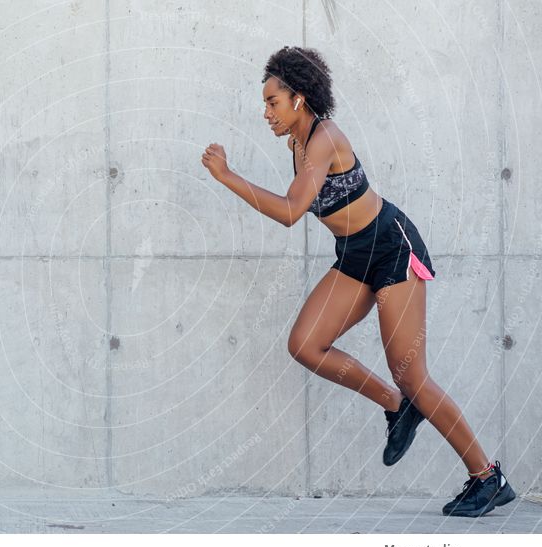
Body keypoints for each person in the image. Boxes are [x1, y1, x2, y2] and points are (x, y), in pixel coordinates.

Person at [201, 45, 516, 518]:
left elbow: (290, 212)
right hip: (353, 256)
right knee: (306, 344)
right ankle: (396, 406)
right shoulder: (298, 143)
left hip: (392, 249)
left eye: (273, 102)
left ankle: (487, 477)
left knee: (412, 372)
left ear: (300, 99)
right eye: (264, 102)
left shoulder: (325, 136)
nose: (265, 112)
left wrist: (226, 176)